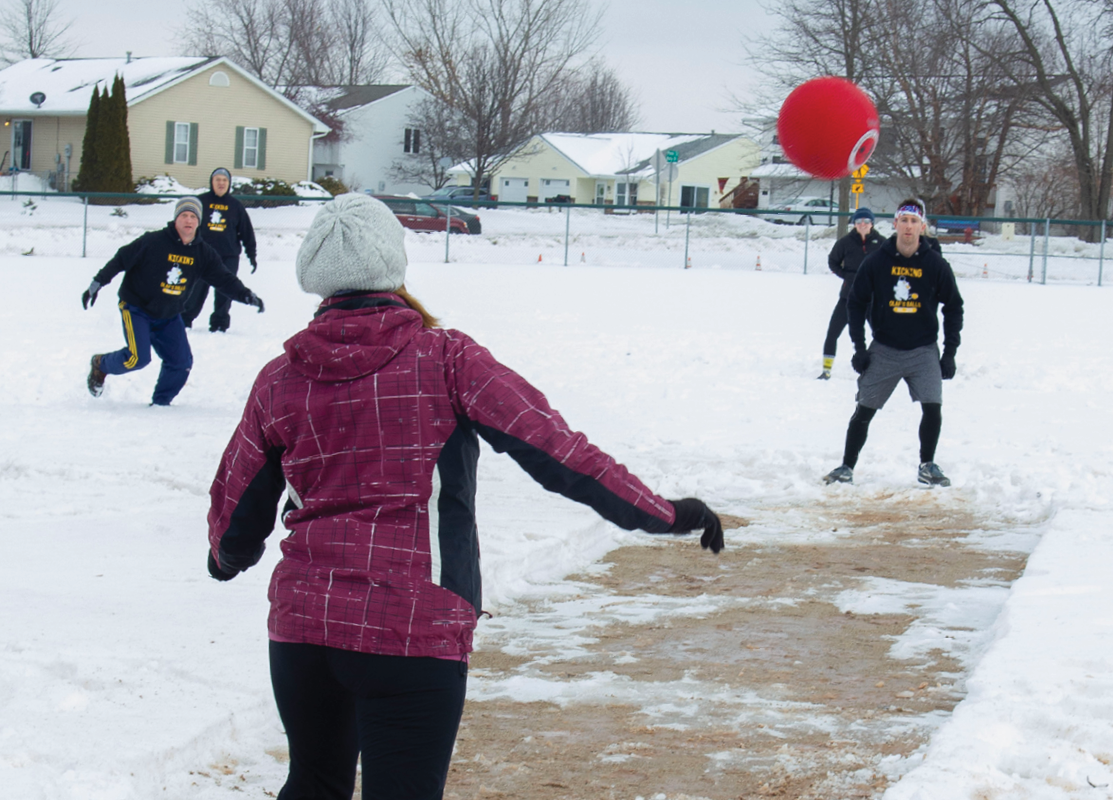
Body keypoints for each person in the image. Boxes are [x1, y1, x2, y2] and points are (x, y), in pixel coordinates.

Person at [203, 193, 725, 800]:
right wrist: (660, 513)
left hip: (305, 631)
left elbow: (238, 497)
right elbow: (554, 447)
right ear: (393, 267)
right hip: (412, 627)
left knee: (314, 784)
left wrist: (226, 557)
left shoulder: (281, 378)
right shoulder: (446, 358)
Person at [823, 198, 963, 487]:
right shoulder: (877, 261)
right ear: (895, 224)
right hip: (885, 348)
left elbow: (953, 307)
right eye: (904, 221)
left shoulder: (936, 264)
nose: (909, 227)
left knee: (933, 406)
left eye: (914, 222)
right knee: (864, 410)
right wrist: (859, 349)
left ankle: (927, 465)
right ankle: (846, 466)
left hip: (923, 349)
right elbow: (856, 303)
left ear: (922, 227)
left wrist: (949, 354)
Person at [82, 196, 265, 406]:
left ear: (199, 221)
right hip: (136, 307)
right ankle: (100, 364)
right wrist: (97, 283)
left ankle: (160, 404)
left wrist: (246, 295)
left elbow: (224, 279)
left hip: (168, 315)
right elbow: (121, 259)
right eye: (184, 215)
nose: (188, 220)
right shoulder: (153, 241)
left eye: (193, 216)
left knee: (181, 363)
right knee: (137, 358)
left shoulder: (203, 253)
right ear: (176, 219)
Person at [182, 167, 259, 332]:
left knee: (225, 292)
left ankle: (219, 323)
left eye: (224, 180)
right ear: (212, 182)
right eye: (218, 180)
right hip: (203, 256)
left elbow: (246, 232)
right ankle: (185, 321)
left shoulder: (236, 206)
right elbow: (186, 226)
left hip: (228, 257)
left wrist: (251, 255)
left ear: (229, 184)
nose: (221, 183)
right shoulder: (200, 202)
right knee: (195, 291)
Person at [819, 207, 886, 379]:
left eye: (866, 222)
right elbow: (833, 261)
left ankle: (883, 369)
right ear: (854, 224)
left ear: (872, 224)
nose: (862, 225)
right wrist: (847, 276)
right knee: (833, 332)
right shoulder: (845, 242)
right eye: (858, 222)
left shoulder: (882, 243)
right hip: (849, 297)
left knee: (882, 335)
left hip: (873, 299)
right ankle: (826, 370)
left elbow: (891, 264)